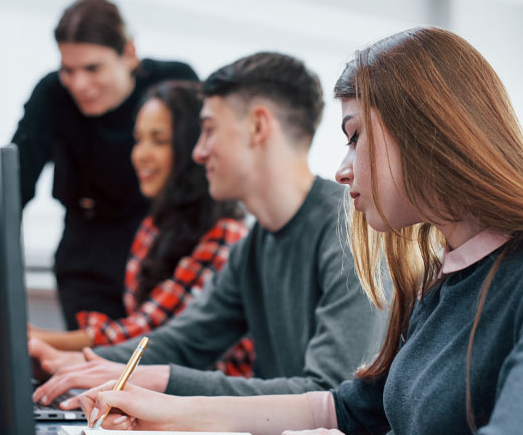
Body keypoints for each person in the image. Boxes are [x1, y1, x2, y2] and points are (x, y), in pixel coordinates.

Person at [74, 28, 523, 435]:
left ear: (427, 131)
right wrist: (169, 412)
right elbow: (342, 409)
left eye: (355, 137)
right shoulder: (447, 274)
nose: (342, 169)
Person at [30, 51, 387, 406]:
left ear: (258, 127)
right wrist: (78, 363)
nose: (198, 152)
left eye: (209, 130)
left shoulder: (351, 228)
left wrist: (162, 380)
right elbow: (183, 341)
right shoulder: (254, 246)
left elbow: (331, 394)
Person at [28, 80, 253, 375]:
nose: (141, 154)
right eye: (139, 139)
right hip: (158, 386)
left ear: (191, 148)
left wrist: (38, 340)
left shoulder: (225, 234)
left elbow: (151, 332)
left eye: (159, 140)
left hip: (210, 403)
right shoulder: (153, 226)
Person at [13, 0, 198, 329]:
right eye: (68, 70)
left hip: (162, 245)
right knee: (94, 362)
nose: (79, 84)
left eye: (92, 68)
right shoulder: (52, 95)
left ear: (128, 53)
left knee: (153, 359)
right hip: (87, 250)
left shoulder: (172, 84)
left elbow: (202, 173)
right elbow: (12, 188)